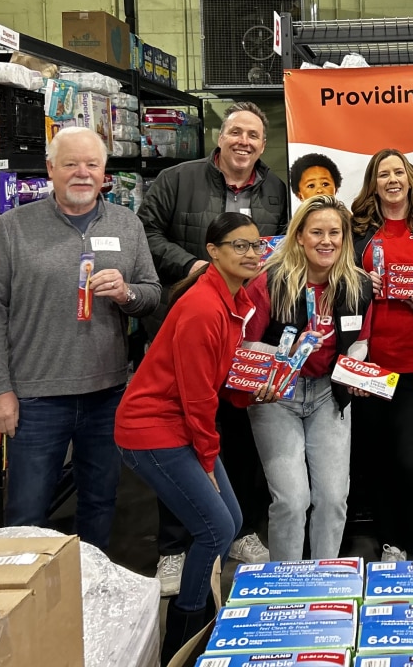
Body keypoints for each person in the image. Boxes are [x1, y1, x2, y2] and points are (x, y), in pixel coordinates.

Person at [0, 126, 161, 550]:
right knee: (26, 512)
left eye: (92, 164)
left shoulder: (127, 225)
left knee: (99, 502)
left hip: (106, 392)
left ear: (104, 173)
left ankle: (86, 593)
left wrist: (128, 293)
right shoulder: (13, 228)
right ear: (51, 169)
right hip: (37, 398)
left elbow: (152, 294)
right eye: (71, 164)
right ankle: (27, 602)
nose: (82, 173)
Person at [137, 101, 287, 588]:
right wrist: (192, 267)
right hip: (191, 327)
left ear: (264, 145)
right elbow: (146, 231)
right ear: (220, 138)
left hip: (245, 332)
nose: (244, 141)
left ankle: (239, 529)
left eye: (254, 135)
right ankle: (175, 547)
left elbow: (284, 251)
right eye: (235, 132)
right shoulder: (178, 179)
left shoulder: (276, 191)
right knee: (184, 431)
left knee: (240, 438)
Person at [115, 214, 261, 662]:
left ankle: (198, 614)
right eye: (239, 246)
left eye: (256, 245)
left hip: (180, 425)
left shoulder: (232, 300)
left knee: (230, 522)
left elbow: (217, 384)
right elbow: (197, 396)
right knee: (216, 528)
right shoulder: (204, 307)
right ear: (212, 251)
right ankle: (185, 628)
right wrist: (206, 461)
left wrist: (254, 390)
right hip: (151, 429)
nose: (251, 253)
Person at [241, 195, 374, 560]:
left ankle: (325, 580)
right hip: (277, 398)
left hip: (328, 396)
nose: (326, 241)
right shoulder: (270, 281)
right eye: (316, 232)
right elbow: (244, 346)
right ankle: (288, 582)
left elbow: (360, 342)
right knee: (292, 500)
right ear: (299, 236)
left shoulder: (357, 286)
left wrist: (357, 375)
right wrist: (286, 354)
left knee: (333, 498)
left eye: (334, 232)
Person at [350, 148, 413, 563]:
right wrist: (359, 285)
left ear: (410, 178)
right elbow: (334, 289)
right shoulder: (356, 233)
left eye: (398, 172)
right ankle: (392, 543)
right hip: (369, 366)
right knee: (380, 460)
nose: (392, 179)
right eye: (382, 173)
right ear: (373, 183)